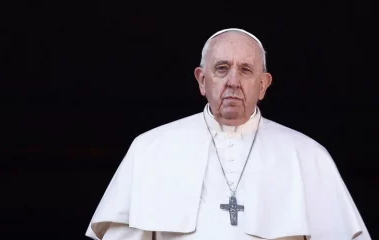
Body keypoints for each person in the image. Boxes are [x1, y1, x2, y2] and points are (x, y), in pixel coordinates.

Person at [85, 28, 371, 240]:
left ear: (263, 85)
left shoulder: (308, 156)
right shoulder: (151, 148)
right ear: (202, 80)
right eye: (222, 69)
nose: (233, 81)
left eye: (246, 70)